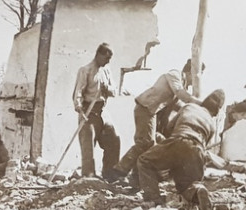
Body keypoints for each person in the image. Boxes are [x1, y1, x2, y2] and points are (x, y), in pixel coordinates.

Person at [111, 64, 202, 188]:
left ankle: (134, 180)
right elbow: (180, 93)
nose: (194, 81)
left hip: (151, 111)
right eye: (196, 76)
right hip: (145, 107)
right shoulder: (175, 74)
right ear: (191, 71)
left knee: (148, 146)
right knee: (145, 143)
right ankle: (119, 171)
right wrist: (200, 104)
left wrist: (192, 110)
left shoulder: (182, 84)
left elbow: (177, 105)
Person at [137, 89, 226, 210]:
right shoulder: (211, 123)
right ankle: (197, 190)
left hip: (179, 140)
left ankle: (153, 199)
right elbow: (203, 146)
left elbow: (169, 128)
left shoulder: (189, 107)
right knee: (187, 185)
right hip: (197, 149)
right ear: (216, 111)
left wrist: (166, 147)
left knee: (144, 161)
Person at [72, 43, 117, 178]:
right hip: (88, 111)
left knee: (114, 139)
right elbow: (78, 91)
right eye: (106, 58)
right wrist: (79, 106)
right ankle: (89, 178)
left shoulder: (106, 70)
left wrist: (106, 88)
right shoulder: (85, 70)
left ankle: (110, 175)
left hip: (102, 111)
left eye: (110, 59)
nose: (108, 61)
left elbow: (114, 91)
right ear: (98, 55)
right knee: (88, 147)